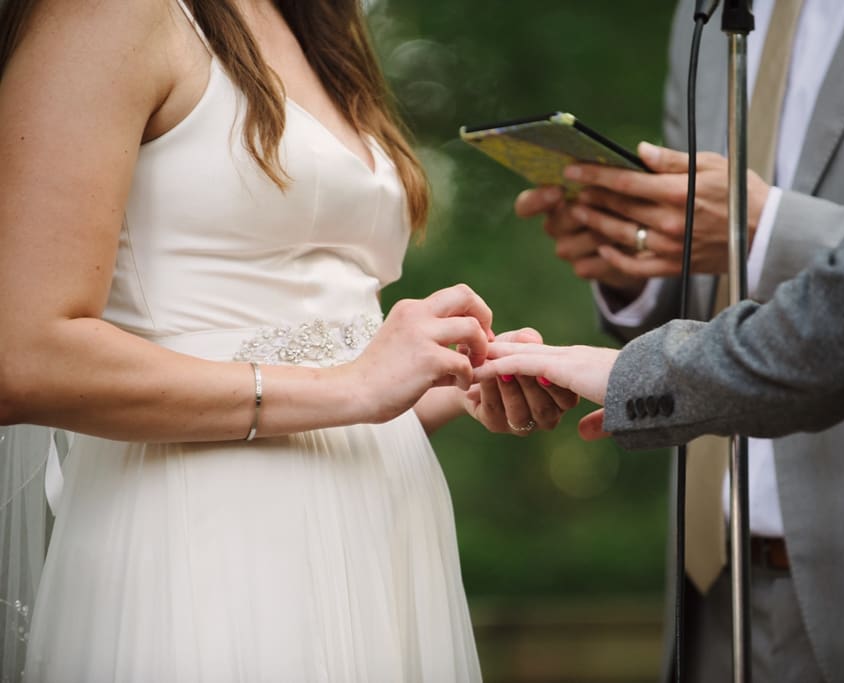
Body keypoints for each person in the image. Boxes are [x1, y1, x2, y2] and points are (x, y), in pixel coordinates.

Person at [0, 0, 578, 680]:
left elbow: (327, 367)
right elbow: (23, 355)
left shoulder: (323, 25)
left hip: (381, 535)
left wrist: (446, 377)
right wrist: (353, 385)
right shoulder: (107, 14)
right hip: (204, 536)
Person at [481, 0, 844, 680]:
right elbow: (704, 283)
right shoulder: (699, 15)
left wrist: (766, 229)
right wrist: (638, 261)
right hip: (711, 581)